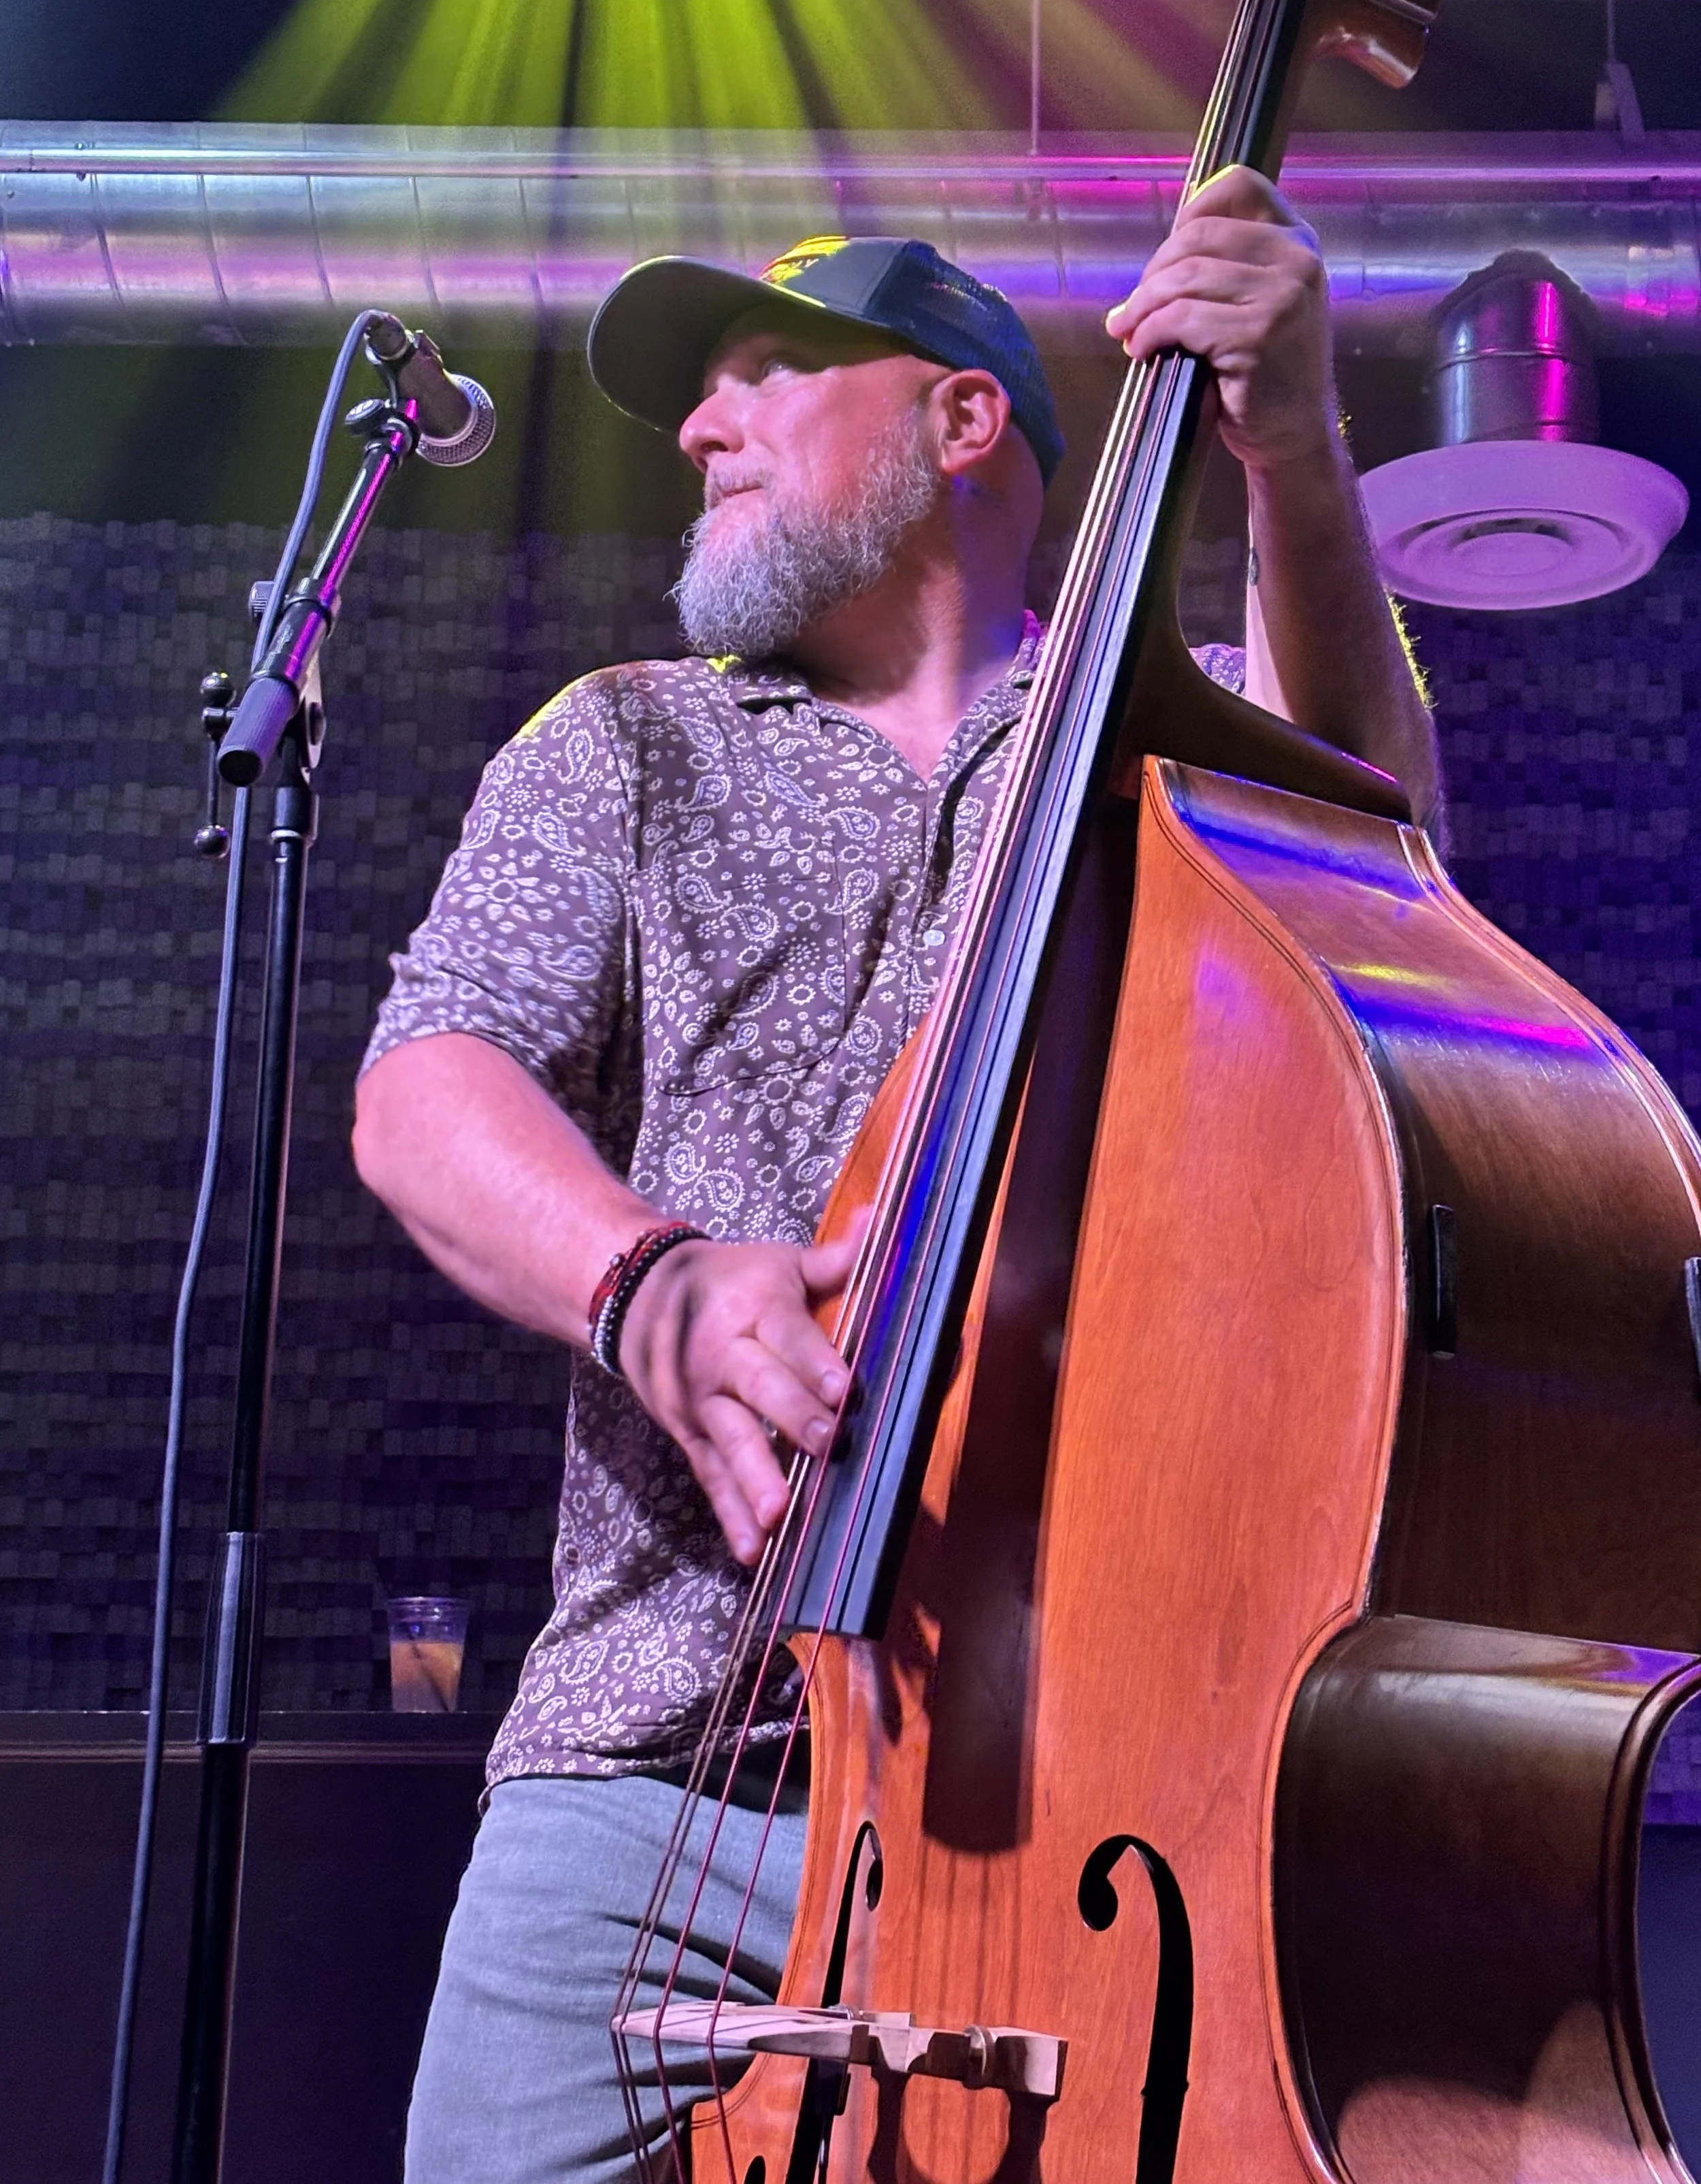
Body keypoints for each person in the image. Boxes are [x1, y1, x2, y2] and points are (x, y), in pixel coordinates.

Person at [352, 167, 1443, 2184]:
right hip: (650, 1776)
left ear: (958, 423)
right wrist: (647, 1275)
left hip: (1090, 1788)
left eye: (765, 368)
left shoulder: (1161, 736)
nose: (697, 425)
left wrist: (1287, 442)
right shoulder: (629, 742)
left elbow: (1382, 845)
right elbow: (428, 1080)